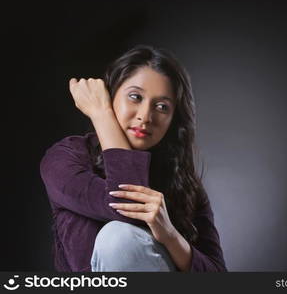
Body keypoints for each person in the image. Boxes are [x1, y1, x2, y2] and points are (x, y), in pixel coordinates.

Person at [39, 44, 227, 272]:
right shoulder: (67, 158)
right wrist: (102, 114)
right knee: (118, 237)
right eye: (135, 97)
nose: (145, 116)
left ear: (173, 119)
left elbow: (217, 273)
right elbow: (127, 207)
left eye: (161, 107)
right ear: (111, 96)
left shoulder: (185, 184)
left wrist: (169, 234)